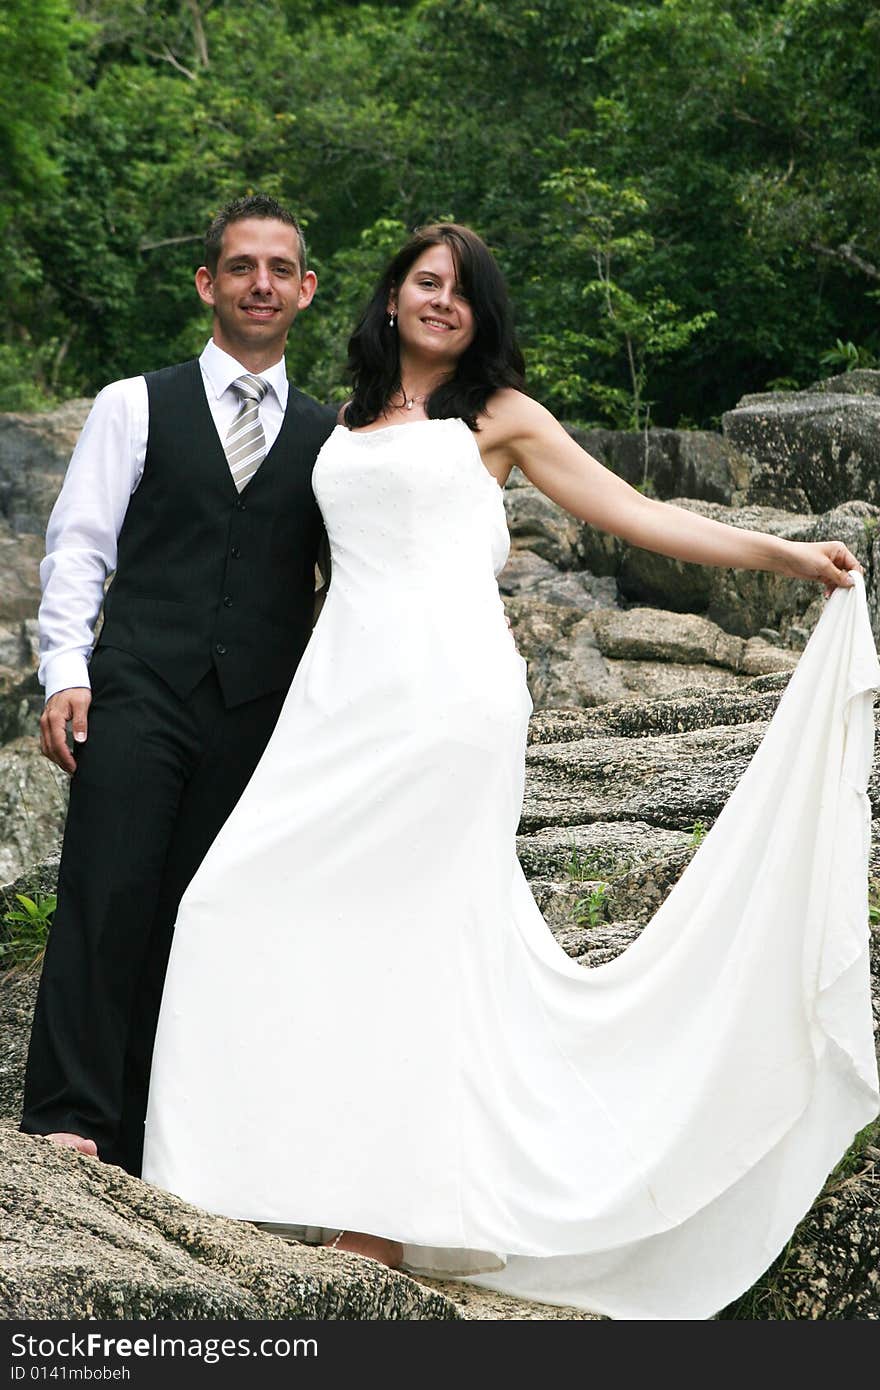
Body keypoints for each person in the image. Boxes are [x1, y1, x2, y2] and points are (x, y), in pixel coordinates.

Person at [141, 223, 879, 1319]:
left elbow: (631, 512)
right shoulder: (334, 422)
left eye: (463, 292)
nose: (442, 301)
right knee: (227, 906)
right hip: (336, 702)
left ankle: (379, 1218)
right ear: (388, 299)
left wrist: (783, 554)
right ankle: (234, 1173)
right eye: (424, 283)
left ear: (480, 317)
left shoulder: (497, 417)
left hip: (448, 703)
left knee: (416, 940)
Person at [19, 194, 336, 1178]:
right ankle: (71, 1115)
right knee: (106, 892)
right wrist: (64, 672)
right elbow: (79, 548)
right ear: (208, 282)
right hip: (140, 685)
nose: (260, 284)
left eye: (279, 268)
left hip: (257, 712)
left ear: (306, 290)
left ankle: (162, 1128)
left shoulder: (334, 437)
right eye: (241, 266)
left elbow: (351, 581)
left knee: (205, 916)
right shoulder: (133, 402)